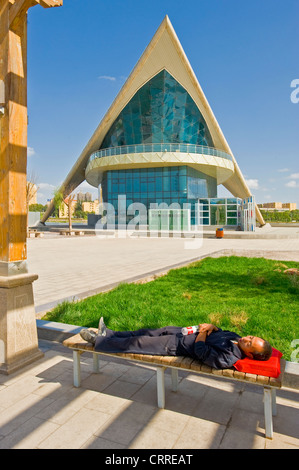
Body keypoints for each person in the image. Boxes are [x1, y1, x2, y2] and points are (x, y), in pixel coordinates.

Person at [79, 318, 272, 370]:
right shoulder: (235, 338)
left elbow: (201, 351)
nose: (246, 338)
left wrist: (203, 332)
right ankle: (109, 333)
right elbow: (219, 333)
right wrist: (212, 326)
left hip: (177, 345)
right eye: (251, 337)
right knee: (143, 332)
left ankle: (99, 341)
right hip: (182, 331)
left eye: (249, 343)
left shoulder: (229, 357)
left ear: (250, 355)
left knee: (139, 342)